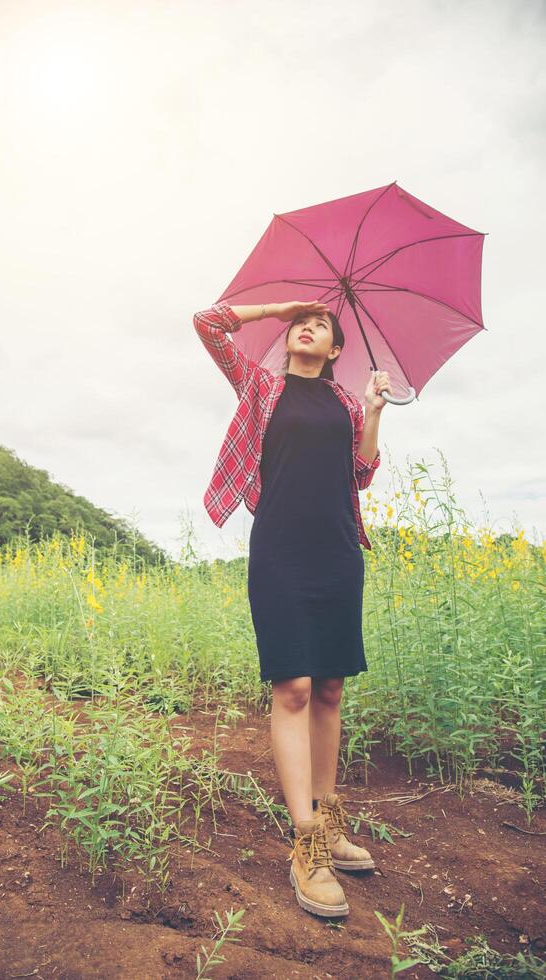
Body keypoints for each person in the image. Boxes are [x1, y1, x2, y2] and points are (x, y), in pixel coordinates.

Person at [193, 299, 391, 918]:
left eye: (322, 324)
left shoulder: (348, 404)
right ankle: (305, 843)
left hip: (337, 551)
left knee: (330, 687)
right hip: (279, 549)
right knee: (295, 689)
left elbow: (360, 471)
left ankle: (330, 824)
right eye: (299, 324)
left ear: (335, 350)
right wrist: (283, 304)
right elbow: (207, 323)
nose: (307, 326)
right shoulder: (261, 384)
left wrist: (377, 412)